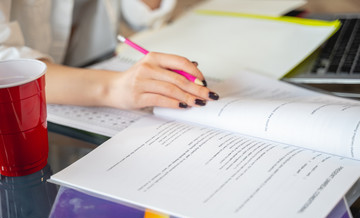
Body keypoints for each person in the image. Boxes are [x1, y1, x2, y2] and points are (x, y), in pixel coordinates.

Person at [0, 0, 219, 110]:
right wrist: (113, 88)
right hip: (21, 114)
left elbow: (140, 15)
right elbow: (6, 64)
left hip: (93, 67)